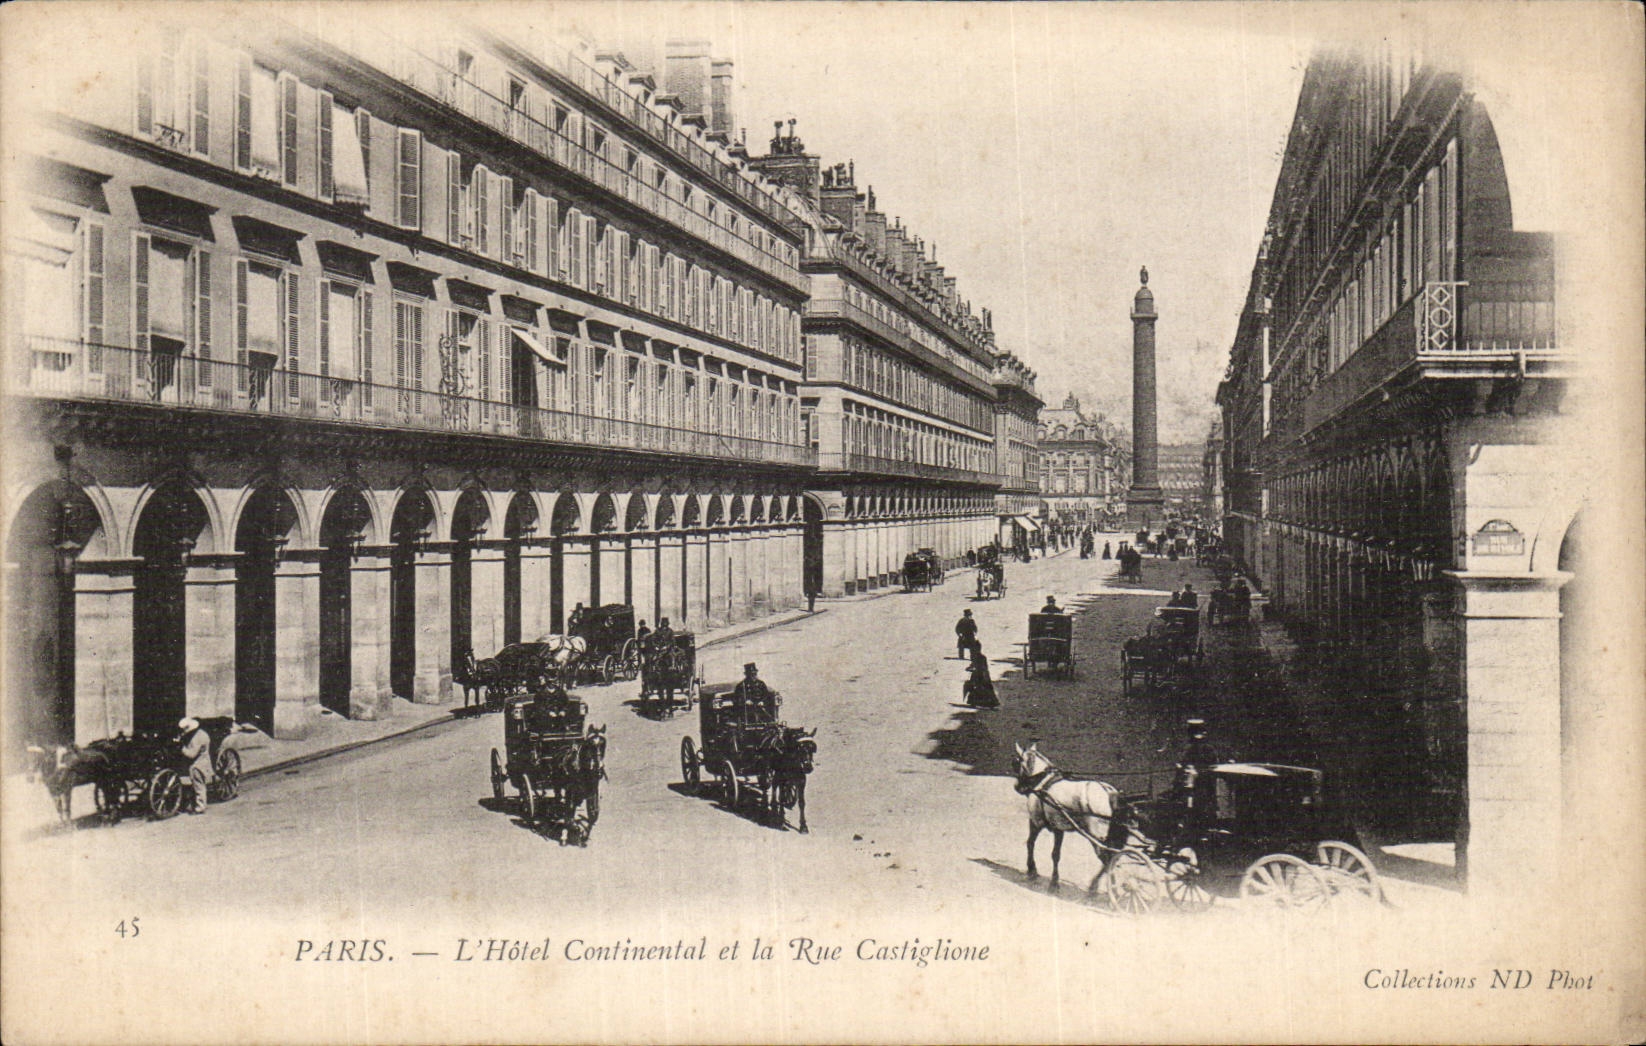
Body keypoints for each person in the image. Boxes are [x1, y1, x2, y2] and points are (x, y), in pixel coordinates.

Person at [178, 717, 213, 814]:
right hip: (198, 763)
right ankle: (192, 804)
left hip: (199, 764)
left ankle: (200, 807)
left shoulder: (199, 738)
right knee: (195, 785)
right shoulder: (199, 733)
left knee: (199, 786)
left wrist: (181, 748)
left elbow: (191, 754)